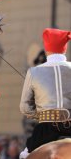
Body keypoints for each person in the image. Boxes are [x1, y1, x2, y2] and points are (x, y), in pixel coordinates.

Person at [19, 28, 71, 158]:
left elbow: (24, 108)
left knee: (24, 156)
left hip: (45, 130)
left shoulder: (34, 72)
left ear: (47, 48)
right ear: (65, 48)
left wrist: (43, 114)